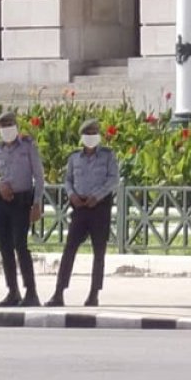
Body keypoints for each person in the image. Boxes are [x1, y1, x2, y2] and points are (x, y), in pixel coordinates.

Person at [46, 118, 120, 308]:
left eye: (94, 132)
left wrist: (97, 196)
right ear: (82, 137)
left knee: (99, 252)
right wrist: (72, 195)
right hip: (79, 207)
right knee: (69, 249)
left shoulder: (107, 156)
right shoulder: (74, 158)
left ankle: (94, 293)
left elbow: (113, 180)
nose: (91, 136)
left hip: (99, 208)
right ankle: (58, 292)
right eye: (88, 133)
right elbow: (68, 180)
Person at [0, 110, 44, 307]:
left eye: (10, 124)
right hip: (2, 203)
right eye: (3, 126)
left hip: (22, 201)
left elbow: (39, 177)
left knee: (20, 246)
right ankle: (12, 291)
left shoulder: (27, 147)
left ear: (16, 126)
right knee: (5, 248)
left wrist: (37, 203)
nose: (6, 128)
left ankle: (31, 292)